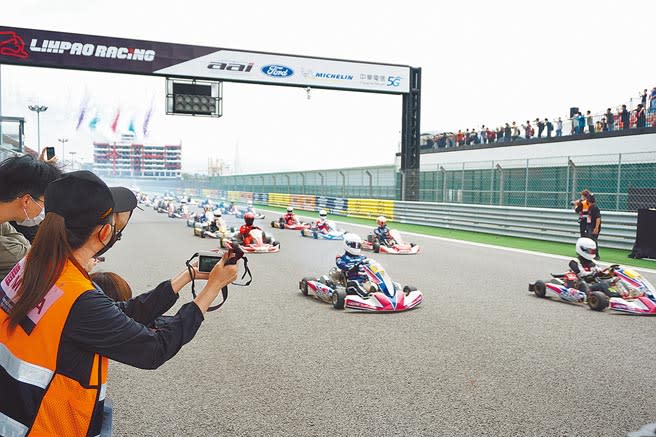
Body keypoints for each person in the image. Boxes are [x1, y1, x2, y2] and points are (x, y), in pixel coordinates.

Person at [0, 171, 239, 436]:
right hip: (42, 425)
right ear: (103, 233)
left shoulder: (32, 266)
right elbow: (154, 349)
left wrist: (186, 277)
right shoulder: (78, 298)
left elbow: (115, 314)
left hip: (13, 414)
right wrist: (212, 289)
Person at [0, 154, 61, 279]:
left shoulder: (3, 220)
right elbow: (27, 254)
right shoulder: (11, 253)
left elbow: (25, 247)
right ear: (27, 200)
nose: (44, 209)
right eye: (44, 202)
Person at [335, 234, 370, 298]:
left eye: (358, 245)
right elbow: (343, 266)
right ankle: (367, 296)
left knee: (377, 282)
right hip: (350, 282)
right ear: (347, 244)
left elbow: (370, 265)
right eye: (354, 245)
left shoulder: (363, 257)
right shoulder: (342, 258)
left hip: (365, 281)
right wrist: (353, 266)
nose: (356, 247)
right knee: (355, 284)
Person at [588, 194, 602, 260]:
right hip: (591, 226)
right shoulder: (590, 207)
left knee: (594, 241)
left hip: (594, 226)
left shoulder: (595, 208)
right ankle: (591, 254)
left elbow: (598, 218)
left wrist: (596, 228)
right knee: (590, 240)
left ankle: (597, 255)